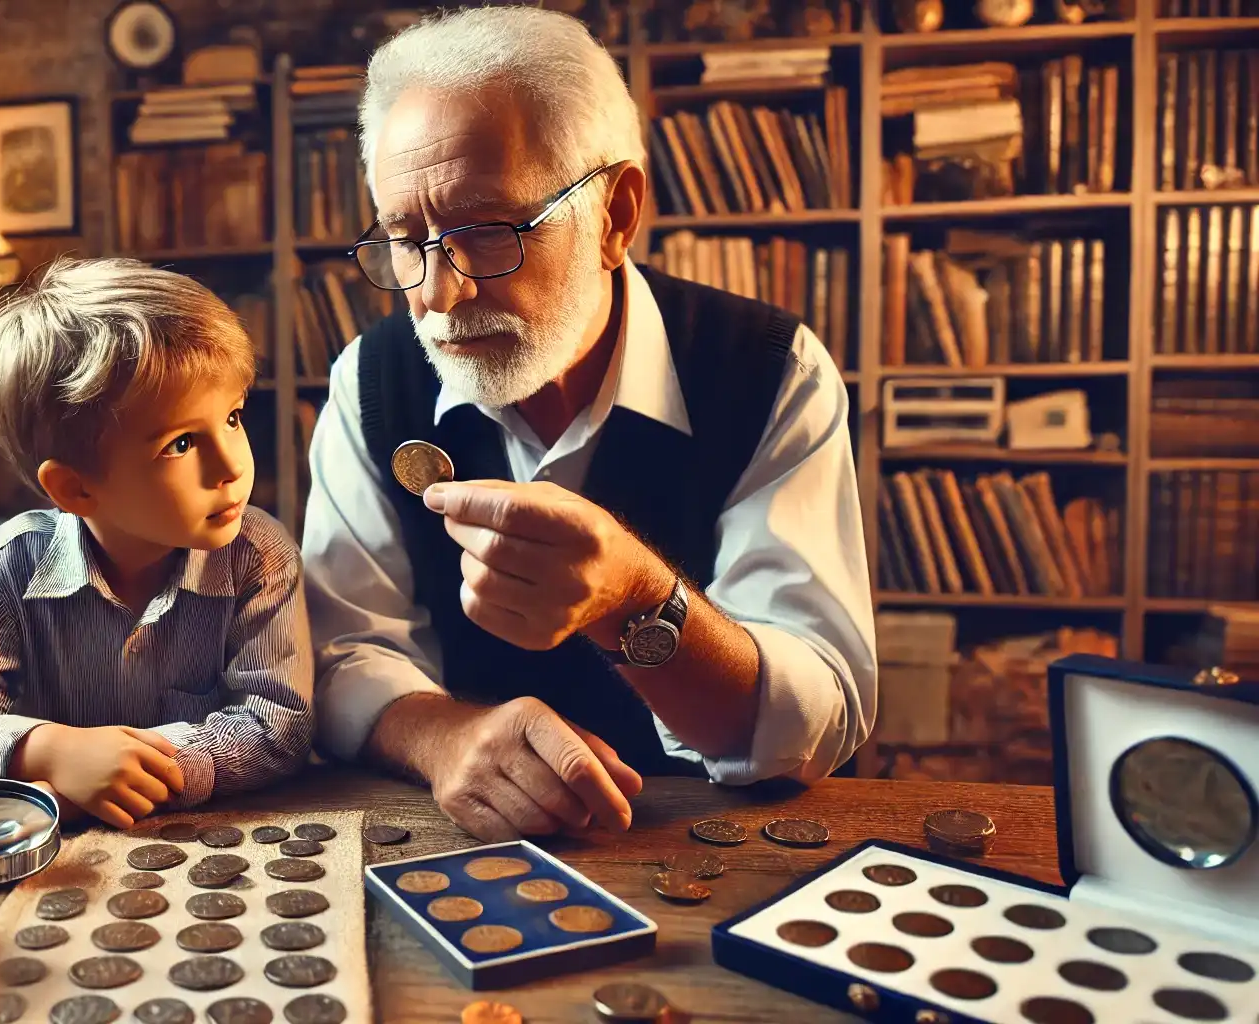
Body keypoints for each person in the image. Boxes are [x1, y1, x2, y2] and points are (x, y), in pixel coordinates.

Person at [302, 6, 877, 842]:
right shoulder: (370, 383)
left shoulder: (771, 370)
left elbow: (815, 718)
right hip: (462, 848)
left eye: (487, 231)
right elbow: (343, 651)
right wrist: (445, 736)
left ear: (614, 215)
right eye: (406, 238)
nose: (436, 293)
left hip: (730, 854)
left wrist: (638, 601)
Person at [0, 257, 314, 829]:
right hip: (50, 858)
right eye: (182, 443)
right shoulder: (9, 566)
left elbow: (279, 724)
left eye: (234, 418)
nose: (231, 465)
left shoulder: (258, 556)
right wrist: (50, 752)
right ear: (75, 488)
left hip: (202, 847)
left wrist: (131, 772)